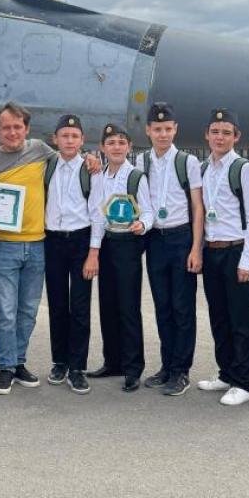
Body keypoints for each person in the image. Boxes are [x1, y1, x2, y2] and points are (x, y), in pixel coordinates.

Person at [0, 103, 56, 395]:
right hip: (5, 246)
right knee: (5, 312)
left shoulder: (41, 150)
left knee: (28, 311)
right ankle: (6, 367)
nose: (12, 132)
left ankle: (19, 361)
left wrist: (91, 162)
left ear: (27, 128)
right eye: (6, 127)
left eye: (18, 127)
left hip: (37, 244)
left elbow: (68, 165)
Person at [136, 102, 204, 397]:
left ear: (175, 129)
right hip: (155, 239)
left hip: (181, 238)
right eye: (157, 129)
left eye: (167, 129)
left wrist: (196, 248)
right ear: (148, 130)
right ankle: (166, 366)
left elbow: (198, 207)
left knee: (182, 307)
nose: (162, 134)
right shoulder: (142, 161)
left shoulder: (188, 162)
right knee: (162, 306)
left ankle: (181, 370)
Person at [197, 108, 249, 406]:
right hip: (212, 250)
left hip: (236, 250)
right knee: (219, 316)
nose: (220, 137)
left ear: (236, 137)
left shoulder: (243, 169)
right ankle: (226, 373)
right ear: (207, 135)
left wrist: (248, 261)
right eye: (215, 132)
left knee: (241, 319)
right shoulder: (204, 168)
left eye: (226, 133)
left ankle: (244, 382)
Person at [87, 122, 154, 391]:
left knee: (128, 306)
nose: (116, 147)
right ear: (103, 147)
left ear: (129, 146)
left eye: (121, 142)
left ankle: (132, 367)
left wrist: (143, 224)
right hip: (106, 243)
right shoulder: (99, 175)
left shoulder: (136, 176)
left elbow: (147, 211)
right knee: (108, 305)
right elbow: (97, 214)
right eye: (111, 143)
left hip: (127, 244)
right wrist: (94, 249)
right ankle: (112, 361)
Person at [43, 114, 96, 394]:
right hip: (52, 240)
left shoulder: (90, 170)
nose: (69, 141)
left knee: (80, 306)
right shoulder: (47, 165)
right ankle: (60, 362)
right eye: (64, 136)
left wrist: (93, 253)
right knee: (57, 304)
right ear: (55, 139)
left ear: (82, 140)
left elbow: (97, 214)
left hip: (80, 240)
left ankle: (77, 367)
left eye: (74, 136)